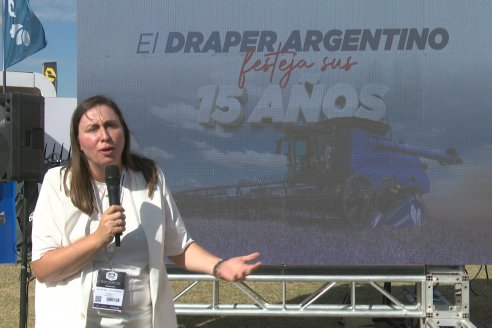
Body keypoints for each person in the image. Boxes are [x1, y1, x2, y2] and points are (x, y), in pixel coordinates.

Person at [31, 95, 261, 328]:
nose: (105, 136)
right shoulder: (58, 183)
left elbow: (179, 246)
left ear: (124, 132)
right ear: (78, 141)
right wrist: (98, 238)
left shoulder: (149, 177)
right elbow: (43, 268)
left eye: (111, 125)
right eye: (93, 129)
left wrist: (219, 266)